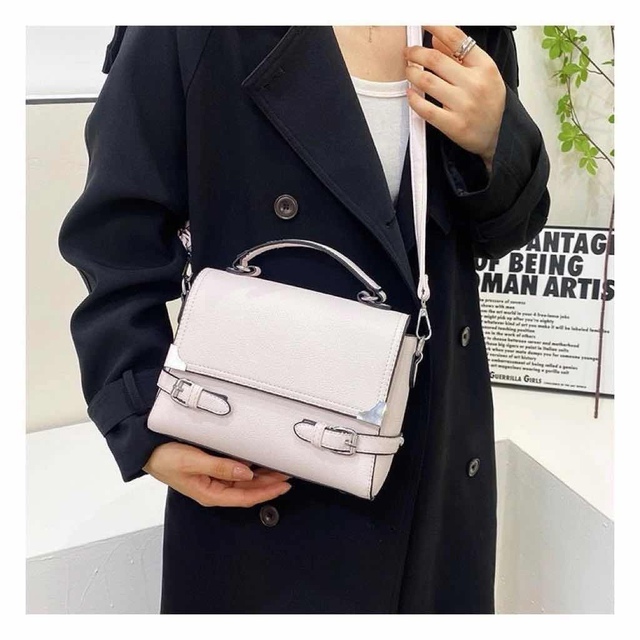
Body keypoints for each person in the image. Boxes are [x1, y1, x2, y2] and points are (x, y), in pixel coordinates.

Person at [58, 25, 550, 613]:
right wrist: (141, 420)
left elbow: (497, 235)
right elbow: (115, 237)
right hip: (267, 470)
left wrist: (497, 140)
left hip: (437, 464)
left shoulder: (468, 27)